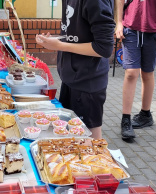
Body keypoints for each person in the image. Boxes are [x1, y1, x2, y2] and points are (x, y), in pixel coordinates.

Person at [36, 0, 115, 139]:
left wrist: (60, 46)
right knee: (70, 135)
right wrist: (55, 41)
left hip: (88, 82)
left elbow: (104, 48)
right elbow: (76, 35)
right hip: (71, 77)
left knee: (88, 139)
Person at [116, 0, 156, 141]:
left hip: (155, 30)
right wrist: (119, 23)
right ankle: (125, 119)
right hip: (131, 27)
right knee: (131, 73)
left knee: (147, 72)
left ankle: (145, 114)